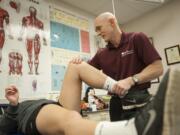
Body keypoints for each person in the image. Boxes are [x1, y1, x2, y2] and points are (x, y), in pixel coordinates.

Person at [0, 62, 179, 135]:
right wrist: (13, 105)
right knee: (72, 118)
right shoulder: (15, 111)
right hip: (29, 115)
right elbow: (4, 129)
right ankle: (135, 130)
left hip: (52, 105)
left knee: (76, 66)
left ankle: (121, 89)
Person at [71, 12, 164, 121]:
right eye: (96, 30)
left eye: (99, 28)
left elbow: (158, 68)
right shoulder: (101, 54)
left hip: (140, 101)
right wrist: (78, 62)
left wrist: (131, 80)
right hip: (116, 104)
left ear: (112, 22)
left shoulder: (136, 39)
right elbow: (85, 72)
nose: (98, 33)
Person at [18, 6, 47, 75]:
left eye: (34, 12)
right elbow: (23, 27)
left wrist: (44, 40)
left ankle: (36, 71)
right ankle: (31, 70)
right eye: (31, 11)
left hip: (36, 40)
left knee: (36, 55)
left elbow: (42, 32)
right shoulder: (26, 19)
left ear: (36, 12)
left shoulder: (40, 22)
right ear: (30, 12)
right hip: (29, 39)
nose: (32, 13)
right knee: (30, 55)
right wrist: (20, 36)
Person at [0, 4, 13, 73]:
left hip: (1, 32)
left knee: (0, 51)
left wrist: (10, 33)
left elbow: (7, 24)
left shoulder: (4, 12)